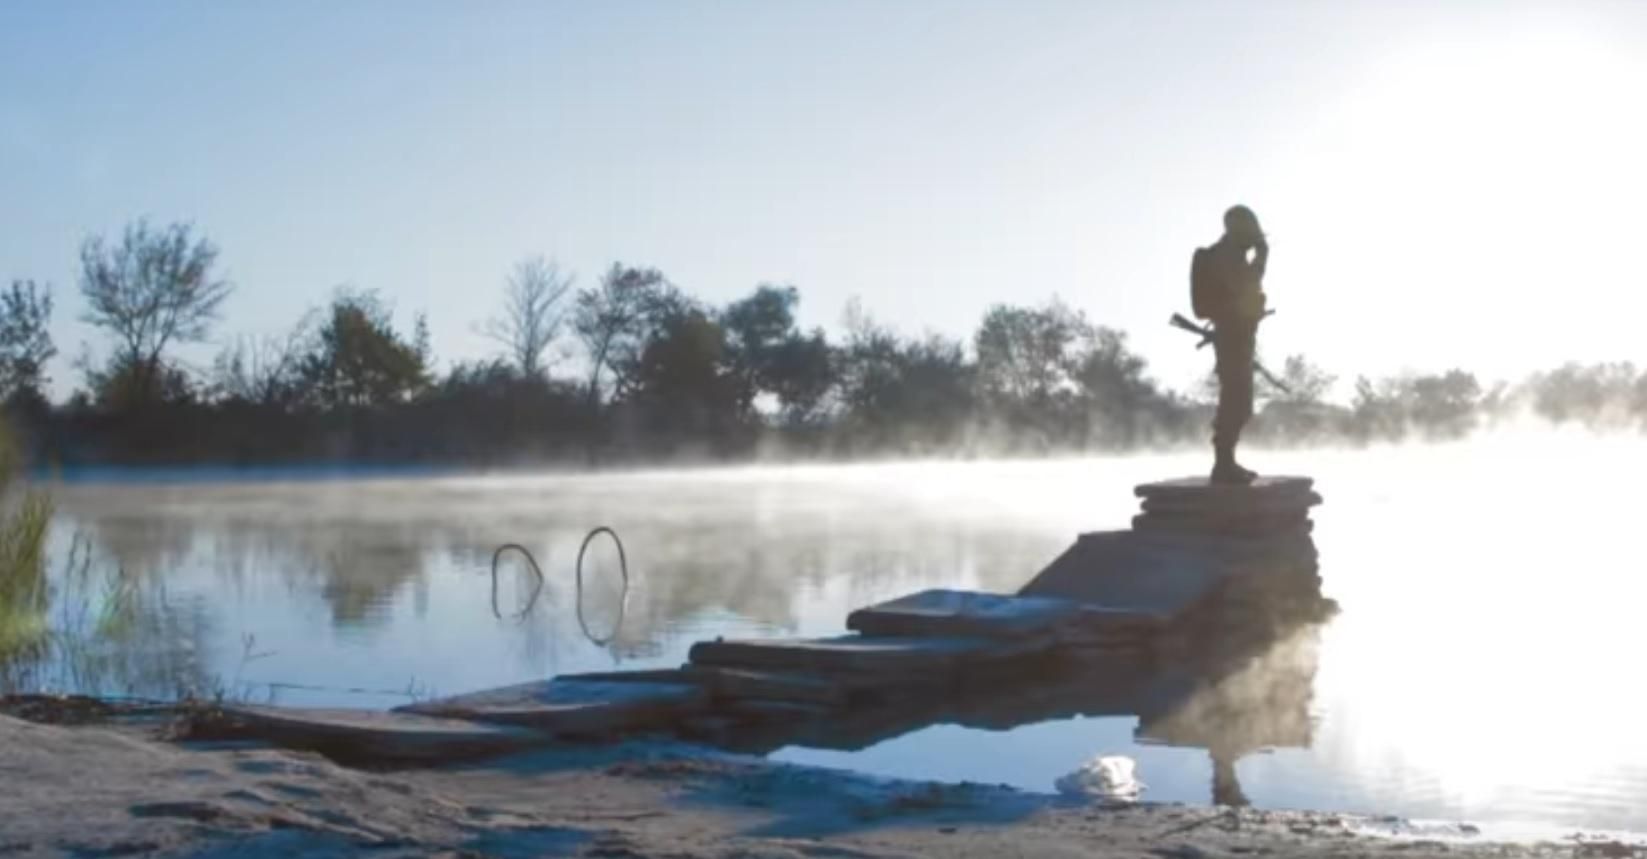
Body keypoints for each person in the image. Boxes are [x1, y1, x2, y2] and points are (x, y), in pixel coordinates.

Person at [1204, 204, 1268, 484]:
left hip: (1239, 336)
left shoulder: (1233, 256)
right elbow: (1246, 285)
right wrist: (1262, 258)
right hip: (1231, 337)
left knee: (1240, 402)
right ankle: (1223, 464)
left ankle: (1227, 461)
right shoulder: (1224, 256)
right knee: (1235, 400)